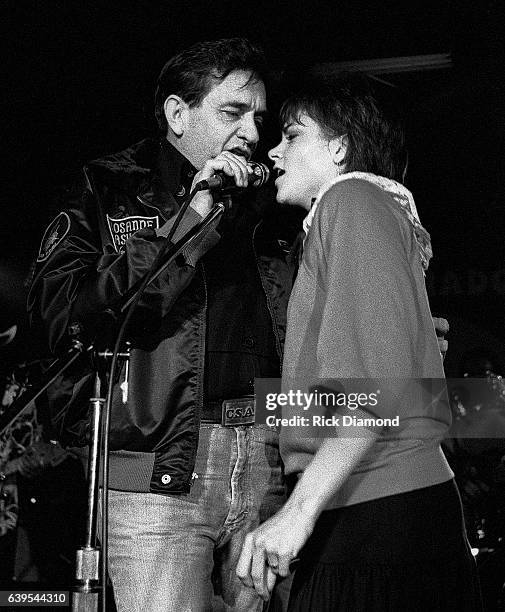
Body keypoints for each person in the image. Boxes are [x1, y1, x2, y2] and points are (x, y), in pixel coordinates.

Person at [27, 38, 298, 611]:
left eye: (259, 117)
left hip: (269, 457)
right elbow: (60, 319)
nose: (253, 131)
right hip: (159, 470)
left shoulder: (274, 199)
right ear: (178, 114)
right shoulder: (109, 187)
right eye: (232, 112)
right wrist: (189, 219)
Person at [236, 74, 482, 611]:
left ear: (340, 146)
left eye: (292, 134)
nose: (274, 150)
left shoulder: (350, 200)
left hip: (379, 507)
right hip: (374, 506)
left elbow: (374, 393)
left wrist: (295, 514)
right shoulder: (367, 213)